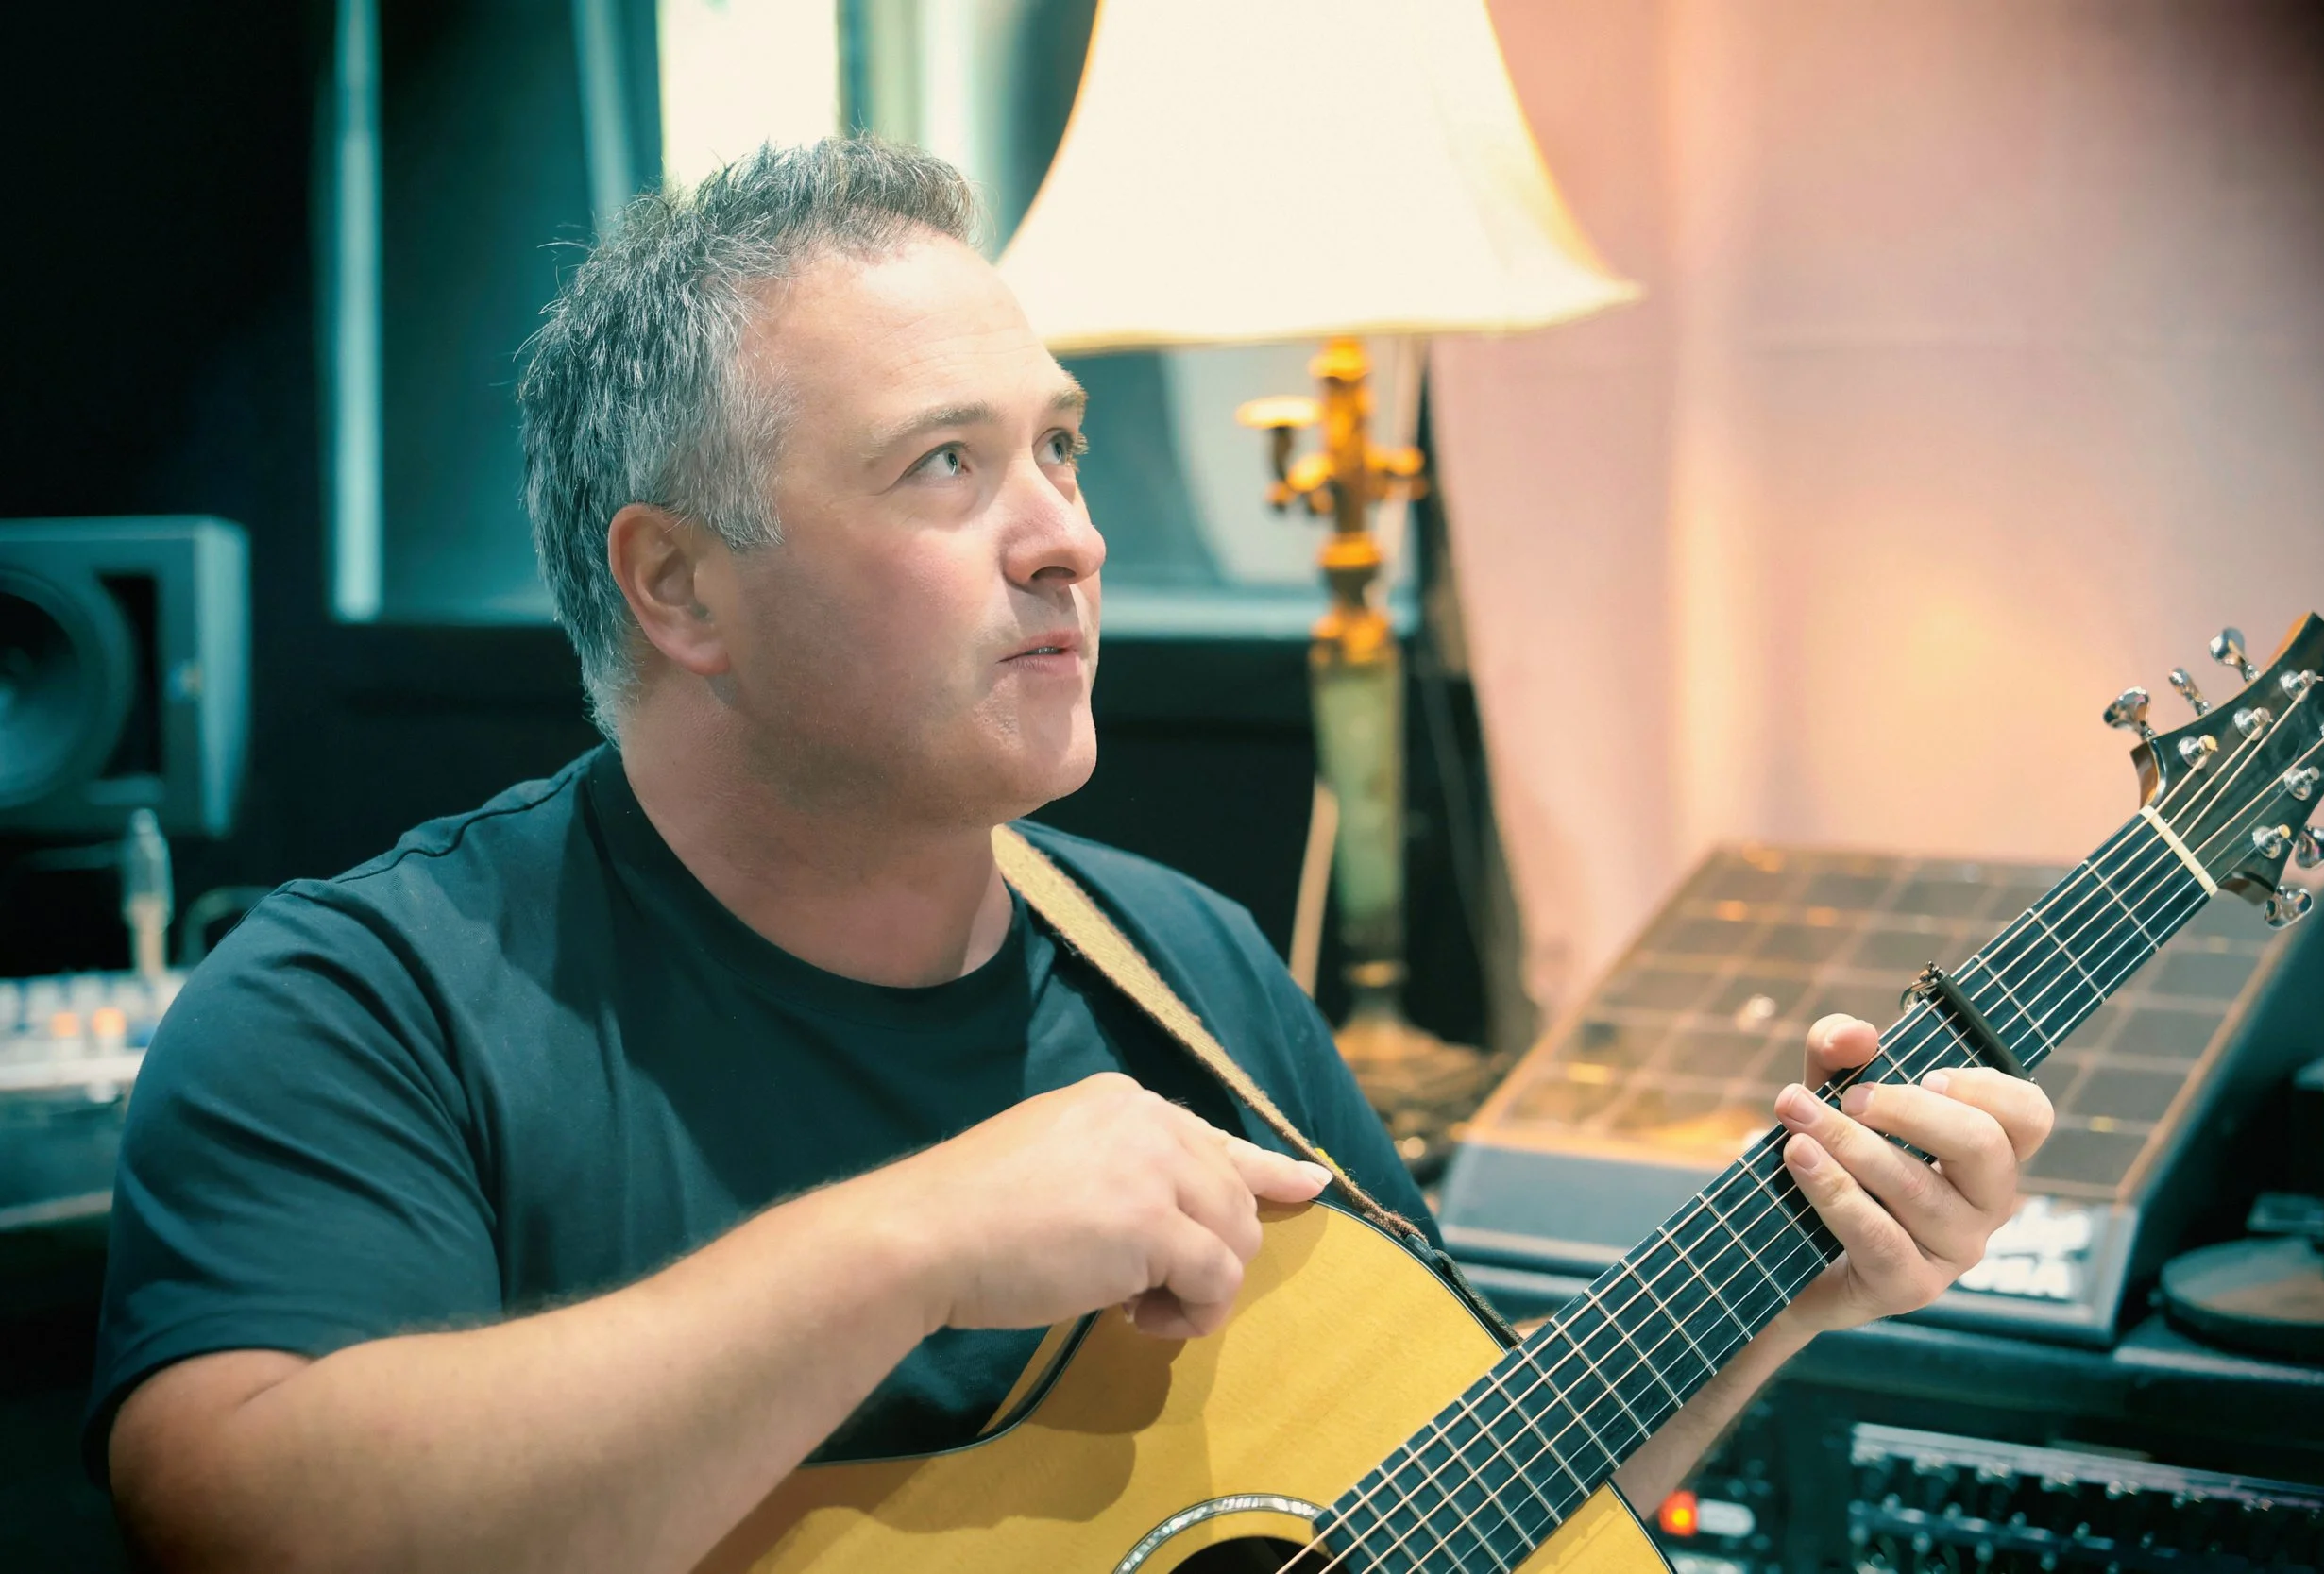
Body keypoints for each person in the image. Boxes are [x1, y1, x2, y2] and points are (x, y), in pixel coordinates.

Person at [91, 139, 2054, 1574]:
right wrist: (910, 1241)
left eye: (1062, 447)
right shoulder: (360, 1003)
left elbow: (1430, 1500)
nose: (1068, 537)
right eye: (946, 464)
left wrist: (1788, 1280)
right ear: (677, 584)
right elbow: (254, 1526)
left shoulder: (1185, 965)